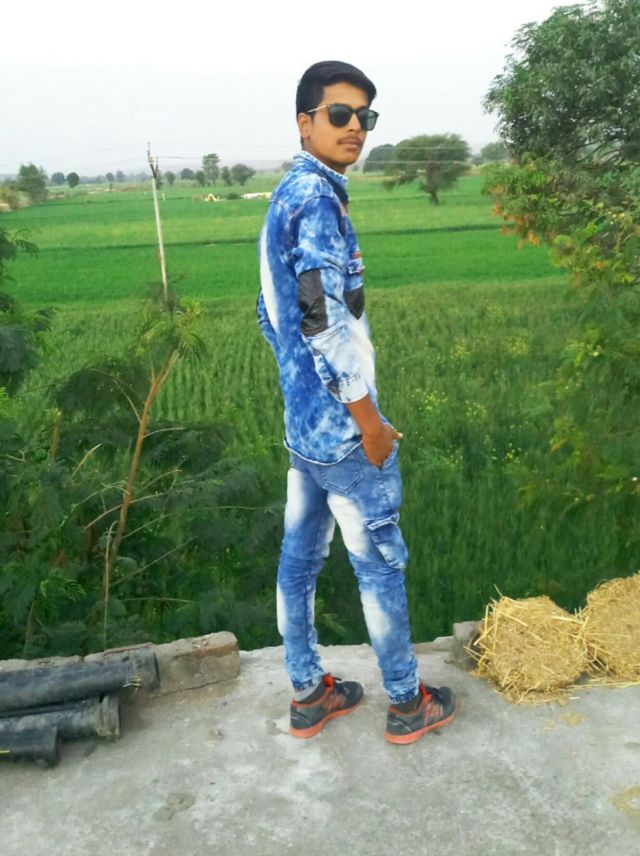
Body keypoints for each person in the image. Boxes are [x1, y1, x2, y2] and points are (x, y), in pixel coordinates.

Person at [257, 60, 456, 744]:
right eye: (339, 114)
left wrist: (300, 390)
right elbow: (320, 319)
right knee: (379, 566)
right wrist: (367, 420)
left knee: (298, 562)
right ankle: (407, 703)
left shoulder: (286, 195)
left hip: (303, 429)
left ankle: (309, 693)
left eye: (365, 117)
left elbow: (270, 313)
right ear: (305, 121)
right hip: (344, 432)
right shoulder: (317, 201)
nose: (355, 128)